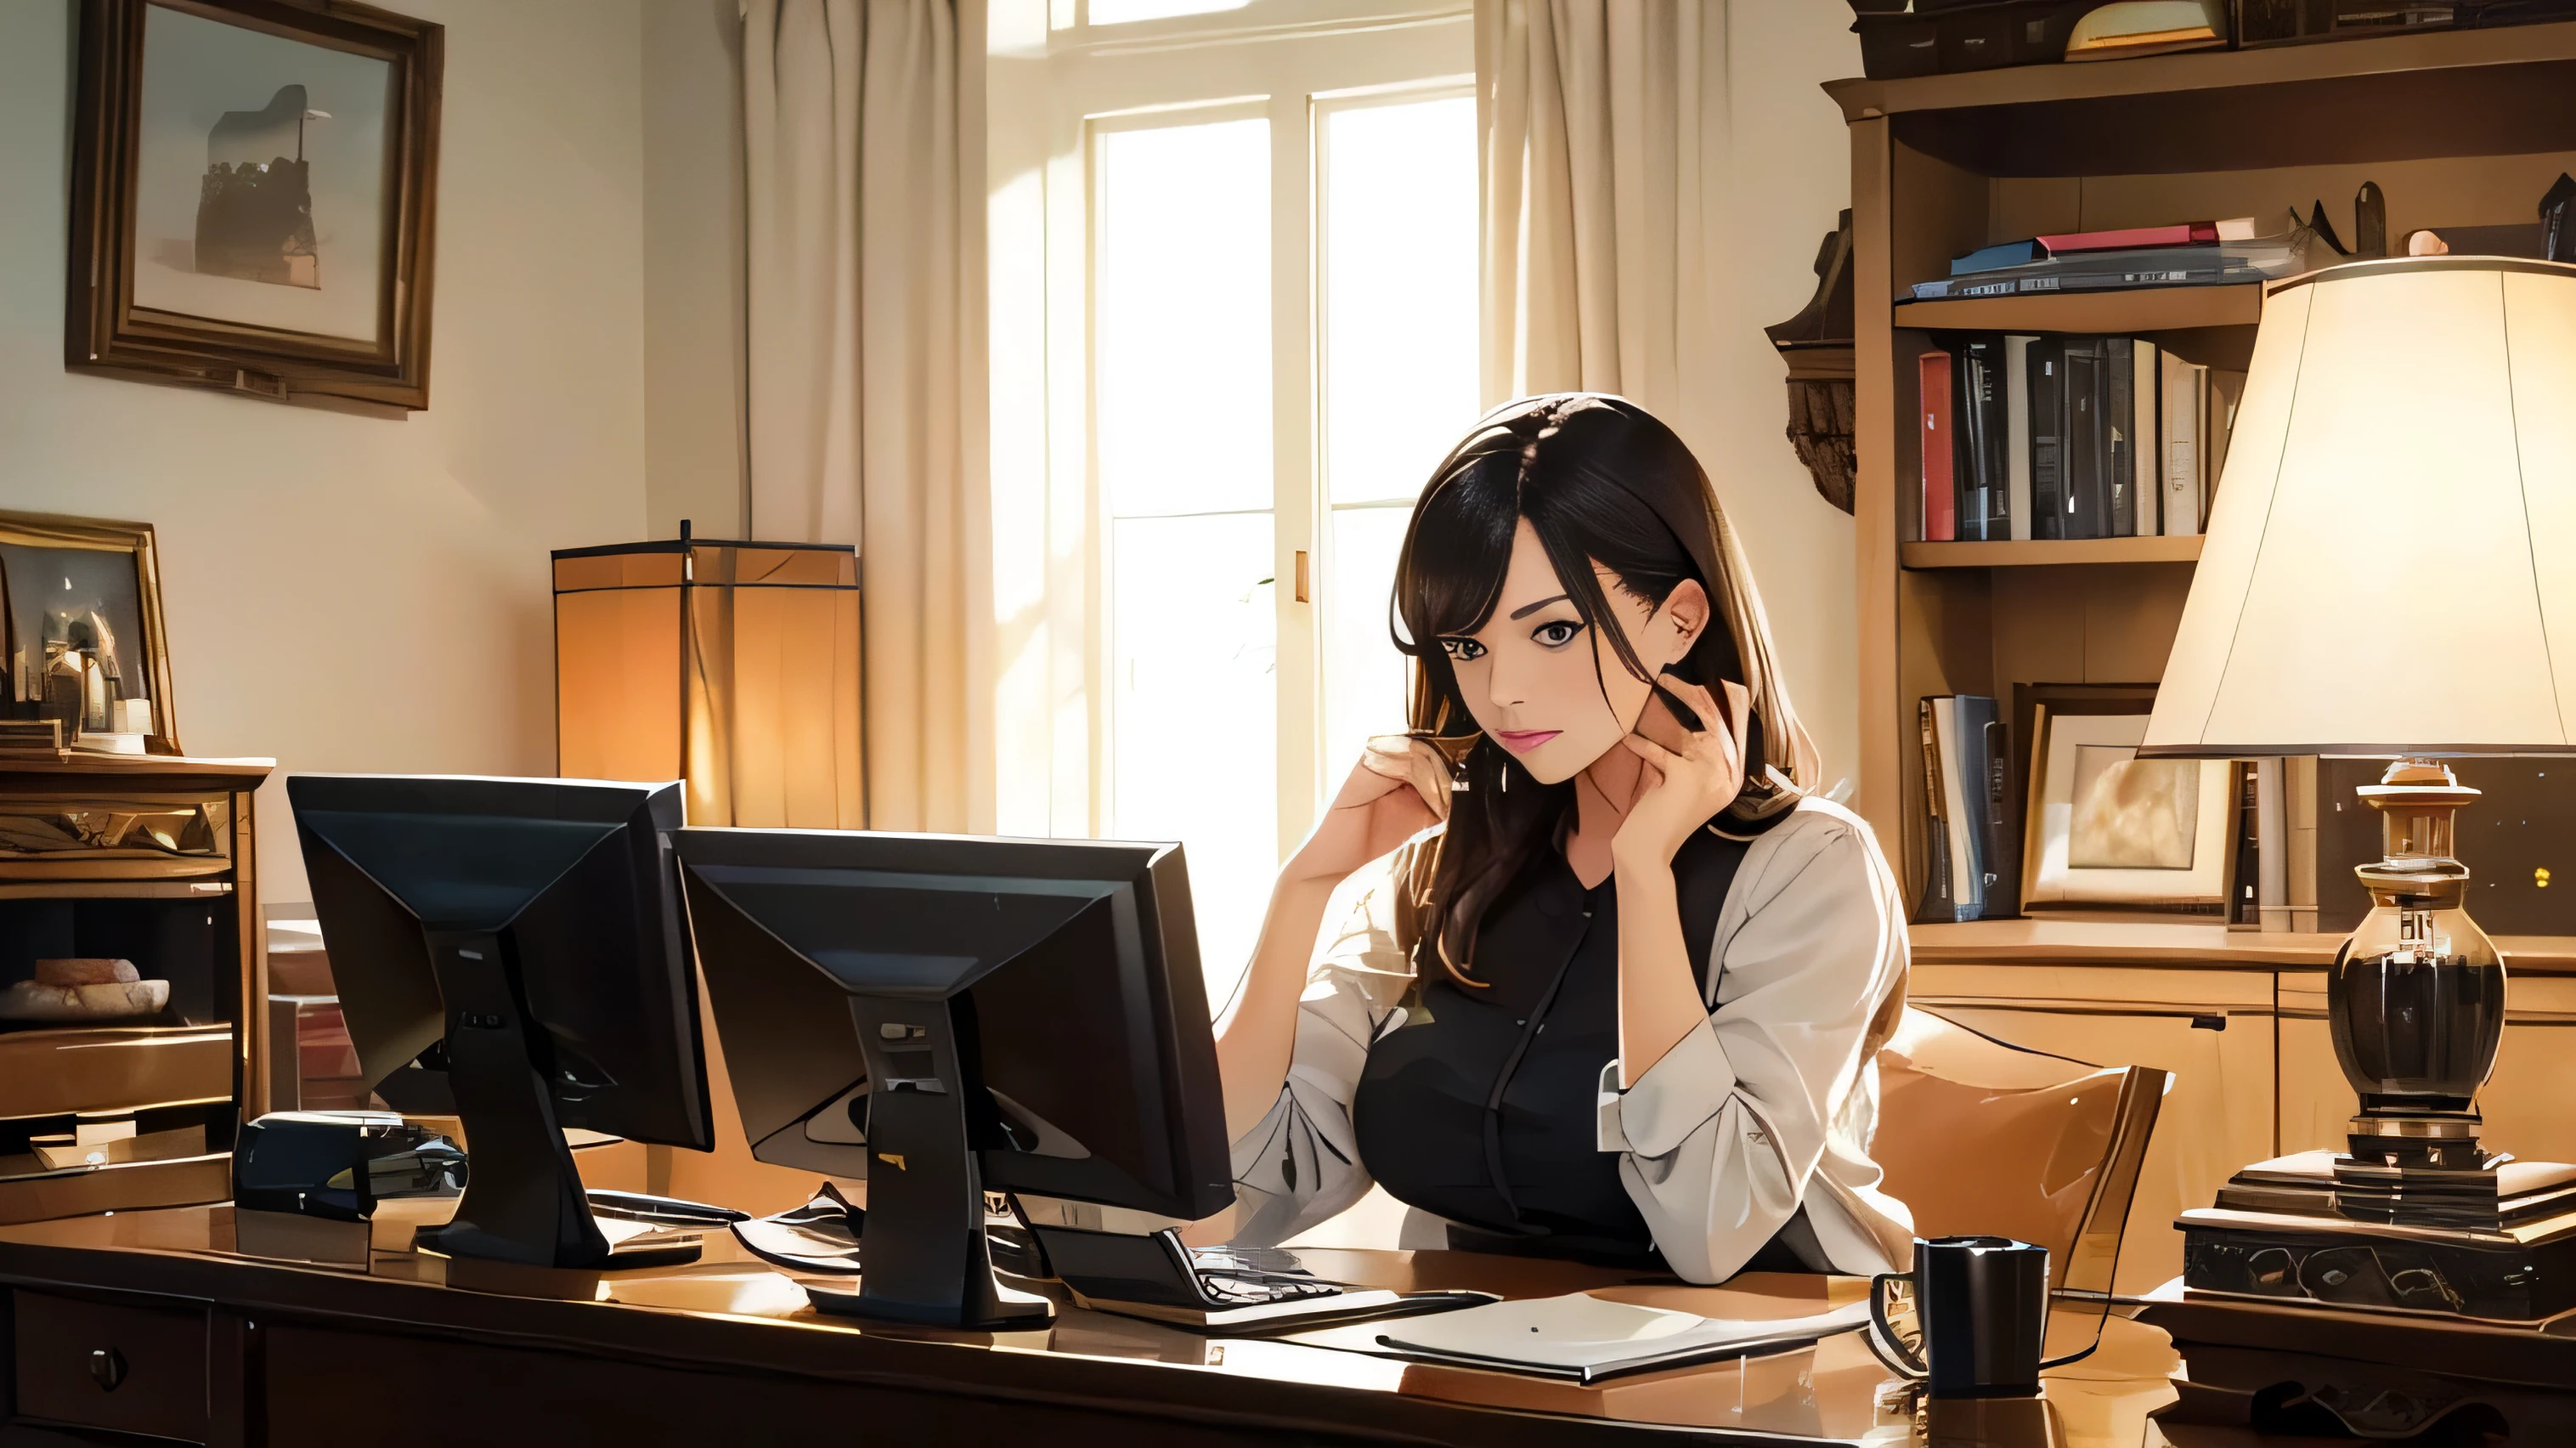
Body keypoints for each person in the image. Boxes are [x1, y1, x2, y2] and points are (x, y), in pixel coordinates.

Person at [1212, 393, 1912, 1284]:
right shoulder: (1447, 869)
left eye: (1551, 630)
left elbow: (1707, 1229)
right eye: (1466, 646)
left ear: (1680, 619)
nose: (1501, 690)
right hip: (1472, 1375)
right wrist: (1304, 886)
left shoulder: (1812, 871)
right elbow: (1235, 1186)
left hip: (1761, 1381)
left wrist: (1644, 874)